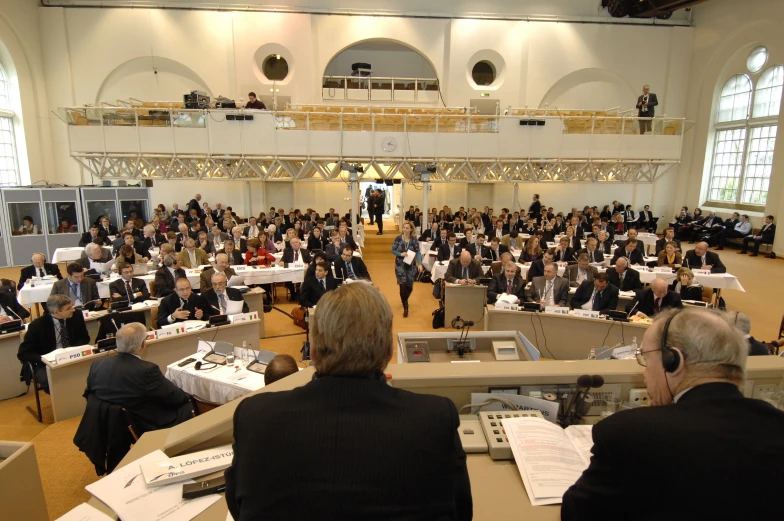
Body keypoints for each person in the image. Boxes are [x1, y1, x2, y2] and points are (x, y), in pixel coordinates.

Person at [225, 282, 472, 521]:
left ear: (313, 351)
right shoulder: (435, 418)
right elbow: (461, 512)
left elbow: (240, 506)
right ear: (388, 350)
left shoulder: (254, 416)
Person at [562, 308, 784, 521]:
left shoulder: (629, 433)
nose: (645, 374)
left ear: (673, 361)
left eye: (646, 359)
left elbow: (578, 513)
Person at [84, 322, 193, 434]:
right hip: (146, 425)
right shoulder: (147, 370)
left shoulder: (97, 364)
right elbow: (176, 397)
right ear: (143, 344)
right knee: (190, 404)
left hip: (114, 425)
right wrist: (190, 395)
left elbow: (89, 394)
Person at [18, 294, 90, 389]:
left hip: (73, 357)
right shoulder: (38, 325)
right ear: (56, 312)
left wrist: (70, 352)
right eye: (68, 308)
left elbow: (84, 338)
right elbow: (23, 353)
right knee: (54, 382)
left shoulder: (76, 315)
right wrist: (45, 359)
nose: (73, 309)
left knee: (92, 373)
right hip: (46, 363)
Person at [390, 221, 423, 318]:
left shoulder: (414, 240)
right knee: (402, 285)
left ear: (411, 229)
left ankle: (405, 298)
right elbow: (393, 250)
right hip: (400, 265)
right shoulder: (398, 239)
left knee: (409, 287)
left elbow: (417, 252)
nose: (405, 229)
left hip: (411, 265)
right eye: (404, 227)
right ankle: (405, 306)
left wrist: (420, 264)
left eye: (407, 228)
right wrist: (400, 254)